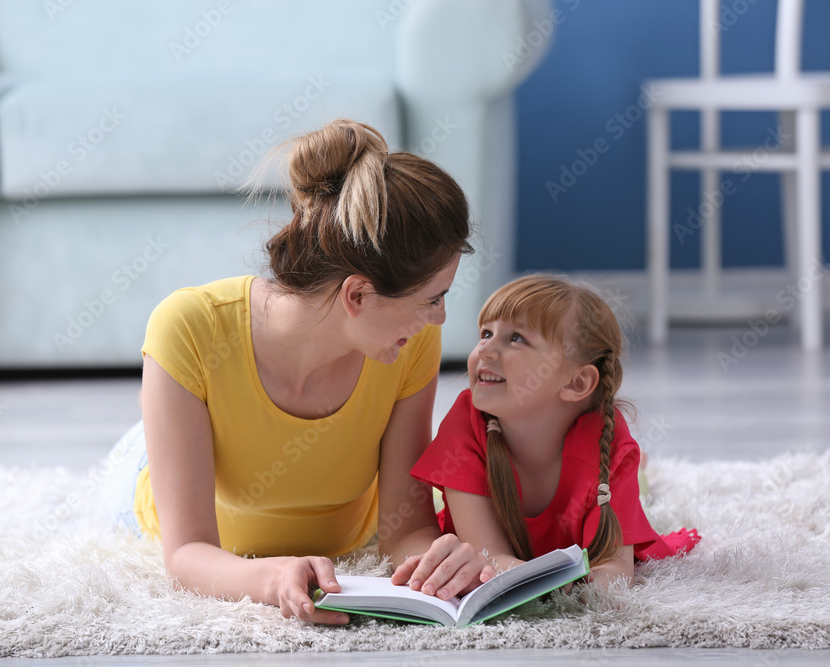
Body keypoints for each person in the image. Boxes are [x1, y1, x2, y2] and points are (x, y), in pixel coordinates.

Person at [101, 118, 499, 625]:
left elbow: (404, 528)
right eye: (433, 299)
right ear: (357, 294)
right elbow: (186, 555)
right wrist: (269, 578)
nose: (440, 317)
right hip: (146, 477)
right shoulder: (189, 329)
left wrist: (434, 567)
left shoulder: (405, 343)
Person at [410, 274, 701, 592]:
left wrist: (585, 592)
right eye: (486, 333)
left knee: (635, 481)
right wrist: (554, 584)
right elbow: (489, 557)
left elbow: (615, 568)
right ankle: (640, 469)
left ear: (576, 383)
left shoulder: (608, 444)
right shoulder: (465, 424)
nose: (486, 351)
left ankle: (639, 468)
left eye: (516, 338)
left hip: (599, 465)